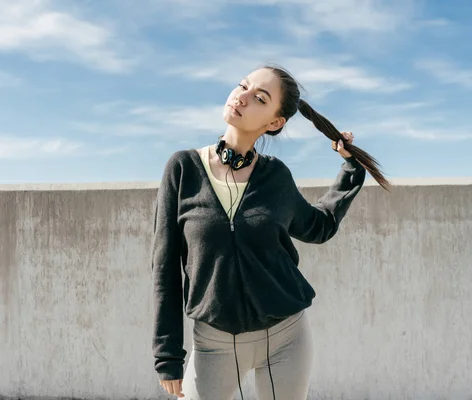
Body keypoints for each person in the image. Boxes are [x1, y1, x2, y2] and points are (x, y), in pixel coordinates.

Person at [151, 65, 389, 400]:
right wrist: (168, 355)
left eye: (259, 98)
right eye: (242, 86)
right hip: (214, 343)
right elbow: (164, 266)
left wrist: (351, 171)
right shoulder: (183, 169)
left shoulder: (275, 176)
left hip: (286, 339)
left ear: (275, 122)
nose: (242, 97)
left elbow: (317, 226)